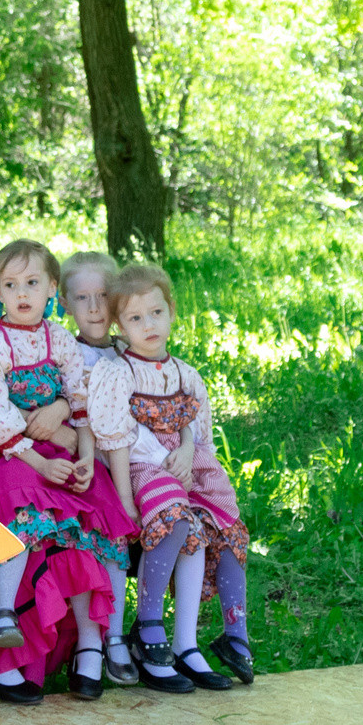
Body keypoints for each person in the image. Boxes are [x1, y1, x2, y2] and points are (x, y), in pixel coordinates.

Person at [0, 239, 132, 703]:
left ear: (51, 288)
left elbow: (80, 398)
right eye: (11, 285)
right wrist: (37, 457)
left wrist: (79, 446)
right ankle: (3, 616)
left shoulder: (59, 339)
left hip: (61, 451)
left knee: (90, 516)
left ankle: (92, 645)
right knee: (27, 510)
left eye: (33, 283)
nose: (23, 293)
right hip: (8, 454)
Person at [92, 261, 254, 693]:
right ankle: (148, 630)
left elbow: (196, 431)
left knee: (221, 524)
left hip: (184, 465)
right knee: (177, 519)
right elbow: (116, 442)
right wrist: (126, 501)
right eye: (135, 318)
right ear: (119, 325)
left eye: (156, 313)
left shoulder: (185, 373)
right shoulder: (118, 372)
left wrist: (185, 451)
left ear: (171, 310)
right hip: (141, 470)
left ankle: (203, 641)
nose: (149, 325)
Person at [57, 249, 139, 686]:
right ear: (64, 303)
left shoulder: (129, 352)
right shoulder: (63, 351)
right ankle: (90, 640)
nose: (93, 307)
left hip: (129, 463)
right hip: (79, 462)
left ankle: (119, 636)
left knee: (117, 542)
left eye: (102, 296)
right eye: (81, 297)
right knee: (88, 534)